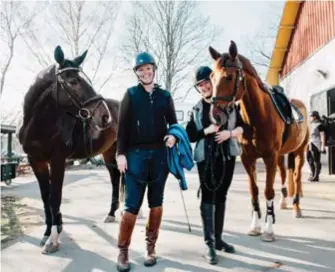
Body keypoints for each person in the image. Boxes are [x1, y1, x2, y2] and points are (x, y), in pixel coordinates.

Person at [115, 52, 177, 272]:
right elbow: (121, 128)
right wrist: (120, 154)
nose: (145, 72)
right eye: (140, 70)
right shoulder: (130, 95)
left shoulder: (165, 96)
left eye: (148, 68)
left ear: (153, 69)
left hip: (160, 156)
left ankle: (151, 248)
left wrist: (173, 136)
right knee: (132, 204)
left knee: (156, 202)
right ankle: (123, 251)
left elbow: (174, 123)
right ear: (137, 74)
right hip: (135, 155)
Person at [186, 66, 244, 265]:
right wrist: (207, 130)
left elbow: (244, 127)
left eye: (206, 83)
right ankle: (209, 243)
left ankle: (218, 239)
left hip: (227, 157)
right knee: (208, 197)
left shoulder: (231, 105)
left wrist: (229, 133)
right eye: (200, 85)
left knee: (221, 196)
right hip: (206, 158)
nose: (203, 87)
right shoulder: (196, 109)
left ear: (213, 81)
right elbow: (190, 135)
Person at [307, 110, 326, 182]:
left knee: (316, 160)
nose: (310, 117)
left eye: (311, 116)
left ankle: (316, 176)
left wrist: (323, 146)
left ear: (314, 117)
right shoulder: (311, 124)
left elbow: (322, 135)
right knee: (309, 159)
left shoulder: (319, 125)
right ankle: (312, 174)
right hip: (310, 144)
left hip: (316, 144)